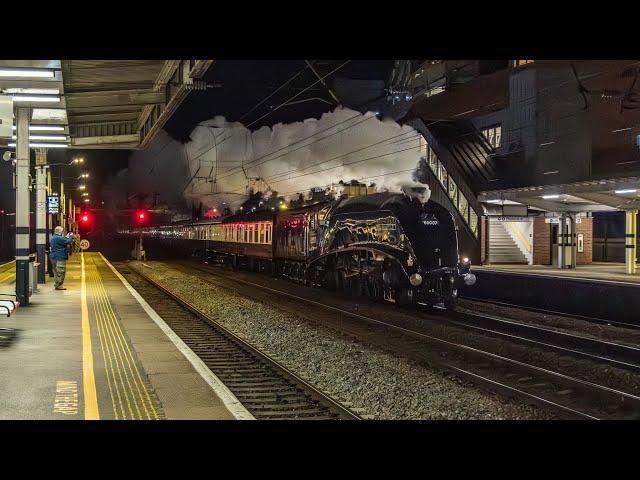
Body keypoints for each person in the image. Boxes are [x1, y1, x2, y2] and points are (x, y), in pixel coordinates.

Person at [50, 226, 75, 290]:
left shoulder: (54, 237)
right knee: (61, 272)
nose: (63, 232)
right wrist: (71, 236)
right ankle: (59, 285)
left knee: (56, 272)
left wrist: (67, 236)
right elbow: (68, 242)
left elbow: (64, 240)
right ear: (60, 231)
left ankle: (56, 284)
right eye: (62, 231)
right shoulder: (59, 238)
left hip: (53, 257)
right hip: (60, 257)